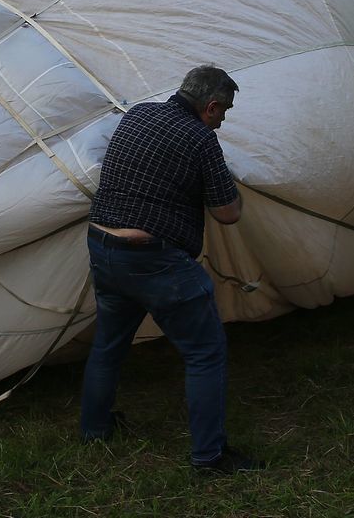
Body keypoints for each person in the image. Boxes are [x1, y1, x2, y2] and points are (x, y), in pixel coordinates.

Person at [79, 64, 262, 474]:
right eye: (225, 112)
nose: (223, 121)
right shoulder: (200, 140)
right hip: (153, 259)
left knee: (108, 346)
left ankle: (95, 429)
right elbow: (228, 214)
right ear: (210, 106)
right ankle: (210, 458)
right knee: (205, 354)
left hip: (103, 248)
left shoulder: (139, 113)